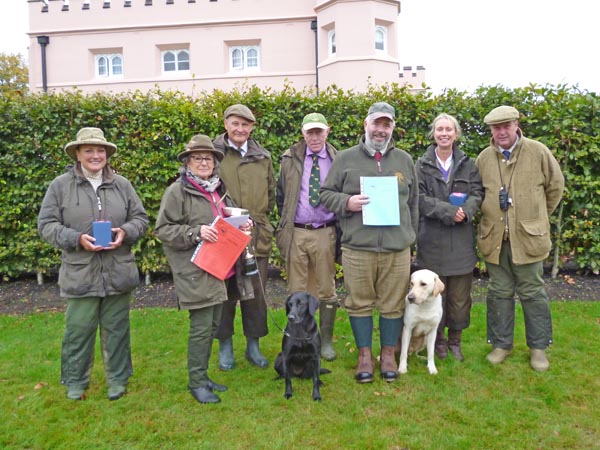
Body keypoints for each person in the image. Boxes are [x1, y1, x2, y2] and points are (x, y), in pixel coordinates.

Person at [37, 127, 148, 401]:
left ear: (107, 155)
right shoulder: (60, 186)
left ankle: (118, 379)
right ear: (78, 153)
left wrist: (126, 232)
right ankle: (76, 381)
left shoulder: (122, 185)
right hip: (80, 274)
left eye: (100, 151)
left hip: (118, 271)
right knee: (78, 331)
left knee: (117, 330)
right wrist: (76, 239)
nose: (95, 155)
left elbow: (141, 219)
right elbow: (46, 226)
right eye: (89, 150)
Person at [320, 102, 418, 383]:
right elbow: (325, 194)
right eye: (377, 123)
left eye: (386, 125)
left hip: (396, 248)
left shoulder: (404, 160)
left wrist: (411, 238)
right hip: (357, 247)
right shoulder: (346, 159)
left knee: (392, 304)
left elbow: (414, 204)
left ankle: (387, 355)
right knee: (359, 303)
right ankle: (364, 356)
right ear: (366, 124)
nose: (381, 129)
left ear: (392, 128)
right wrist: (347, 202)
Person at [154, 134, 252, 404]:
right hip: (195, 269)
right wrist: (195, 232)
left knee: (211, 326)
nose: (203, 162)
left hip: (221, 268)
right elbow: (163, 230)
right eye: (197, 158)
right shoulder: (178, 191)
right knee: (200, 327)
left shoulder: (219, 188)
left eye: (207, 158)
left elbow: (225, 219)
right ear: (187, 162)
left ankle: (203, 376)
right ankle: (196, 382)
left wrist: (242, 225)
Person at [476, 105, 564, 372]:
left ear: (516, 125)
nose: (501, 132)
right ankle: (501, 344)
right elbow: (478, 193)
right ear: (491, 130)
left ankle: (538, 348)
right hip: (494, 239)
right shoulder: (483, 158)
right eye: (496, 127)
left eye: (506, 126)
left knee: (532, 292)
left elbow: (555, 187)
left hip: (528, 239)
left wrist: (536, 218)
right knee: (499, 292)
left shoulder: (538, 151)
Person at [415, 113, 483, 361]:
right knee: (435, 297)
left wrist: (467, 212)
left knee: (459, 298)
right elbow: (419, 199)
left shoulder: (468, 163)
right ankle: (439, 342)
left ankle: (456, 342)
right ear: (433, 133)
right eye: (439, 129)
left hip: (461, 242)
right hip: (431, 242)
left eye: (449, 129)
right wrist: (449, 211)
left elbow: (477, 193)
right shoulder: (421, 165)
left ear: (456, 134)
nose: (444, 134)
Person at [212, 104, 276, 370]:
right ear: (226, 124)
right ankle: (225, 346)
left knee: (256, 295)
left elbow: (271, 194)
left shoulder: (263, 157)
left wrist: (258, 220)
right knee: (224, 295)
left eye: (245, 125)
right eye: (235, 123)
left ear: (252, 128)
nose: (240, 129)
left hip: (256, 235)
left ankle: (253, 346)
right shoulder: (213, 154)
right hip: (223, 235)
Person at [275, 112, 339, 361]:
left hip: (325, 231)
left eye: (319, 131)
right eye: (310, 131)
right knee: (296, 289)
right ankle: (296, 338)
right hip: (297, 232)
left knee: (326, 288)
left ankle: (325, 342)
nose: (314, 136)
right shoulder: (289, 158)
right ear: (302, 132)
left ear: (327, 131)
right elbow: (281, 195)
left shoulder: (337, 158)